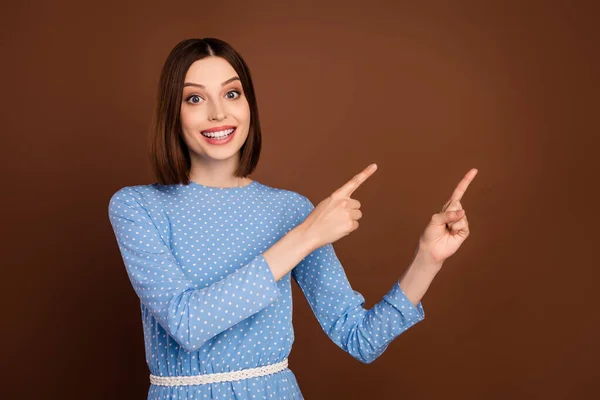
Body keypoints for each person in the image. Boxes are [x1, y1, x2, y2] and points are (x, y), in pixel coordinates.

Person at [107, 37, 478, 400]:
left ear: (249, 104)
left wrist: (427, 260)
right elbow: (187, 323)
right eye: (195, 98)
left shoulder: (291, 211)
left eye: (232, 94)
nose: (218, 113)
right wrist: (305, 237)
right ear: (173, 111)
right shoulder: (138, 207)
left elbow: (360, 338)